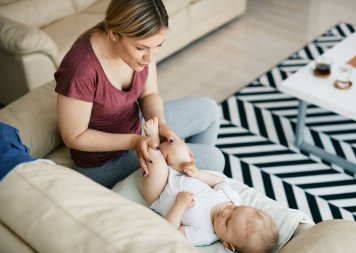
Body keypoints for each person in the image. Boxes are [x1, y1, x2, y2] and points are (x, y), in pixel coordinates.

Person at [54, 0, 225, 188]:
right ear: (114, 34)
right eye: (141, 48)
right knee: (214, 159)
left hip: (139, 128)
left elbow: (149, 94)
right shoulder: (81, 68)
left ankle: (189, 184)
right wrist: (134, 141)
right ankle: (182, 186)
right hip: (104, 161)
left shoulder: (143, 45)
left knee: (209, 109)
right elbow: (74, 136)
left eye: (158, 45)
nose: (150, 58)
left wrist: (161, 124)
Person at [140, 117, 279, 252]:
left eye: (227, 222)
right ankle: (162, 141)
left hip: (159, 192)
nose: (225, 212)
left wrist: (180, 205)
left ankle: (153, 141)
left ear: (228, 244)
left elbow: (171, 232)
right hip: (179, 174)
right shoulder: (231, 198)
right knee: (179, 148)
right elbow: (218, 181)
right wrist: (198, 174)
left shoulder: (205, 234)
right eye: (234, 210)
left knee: (157, 167)